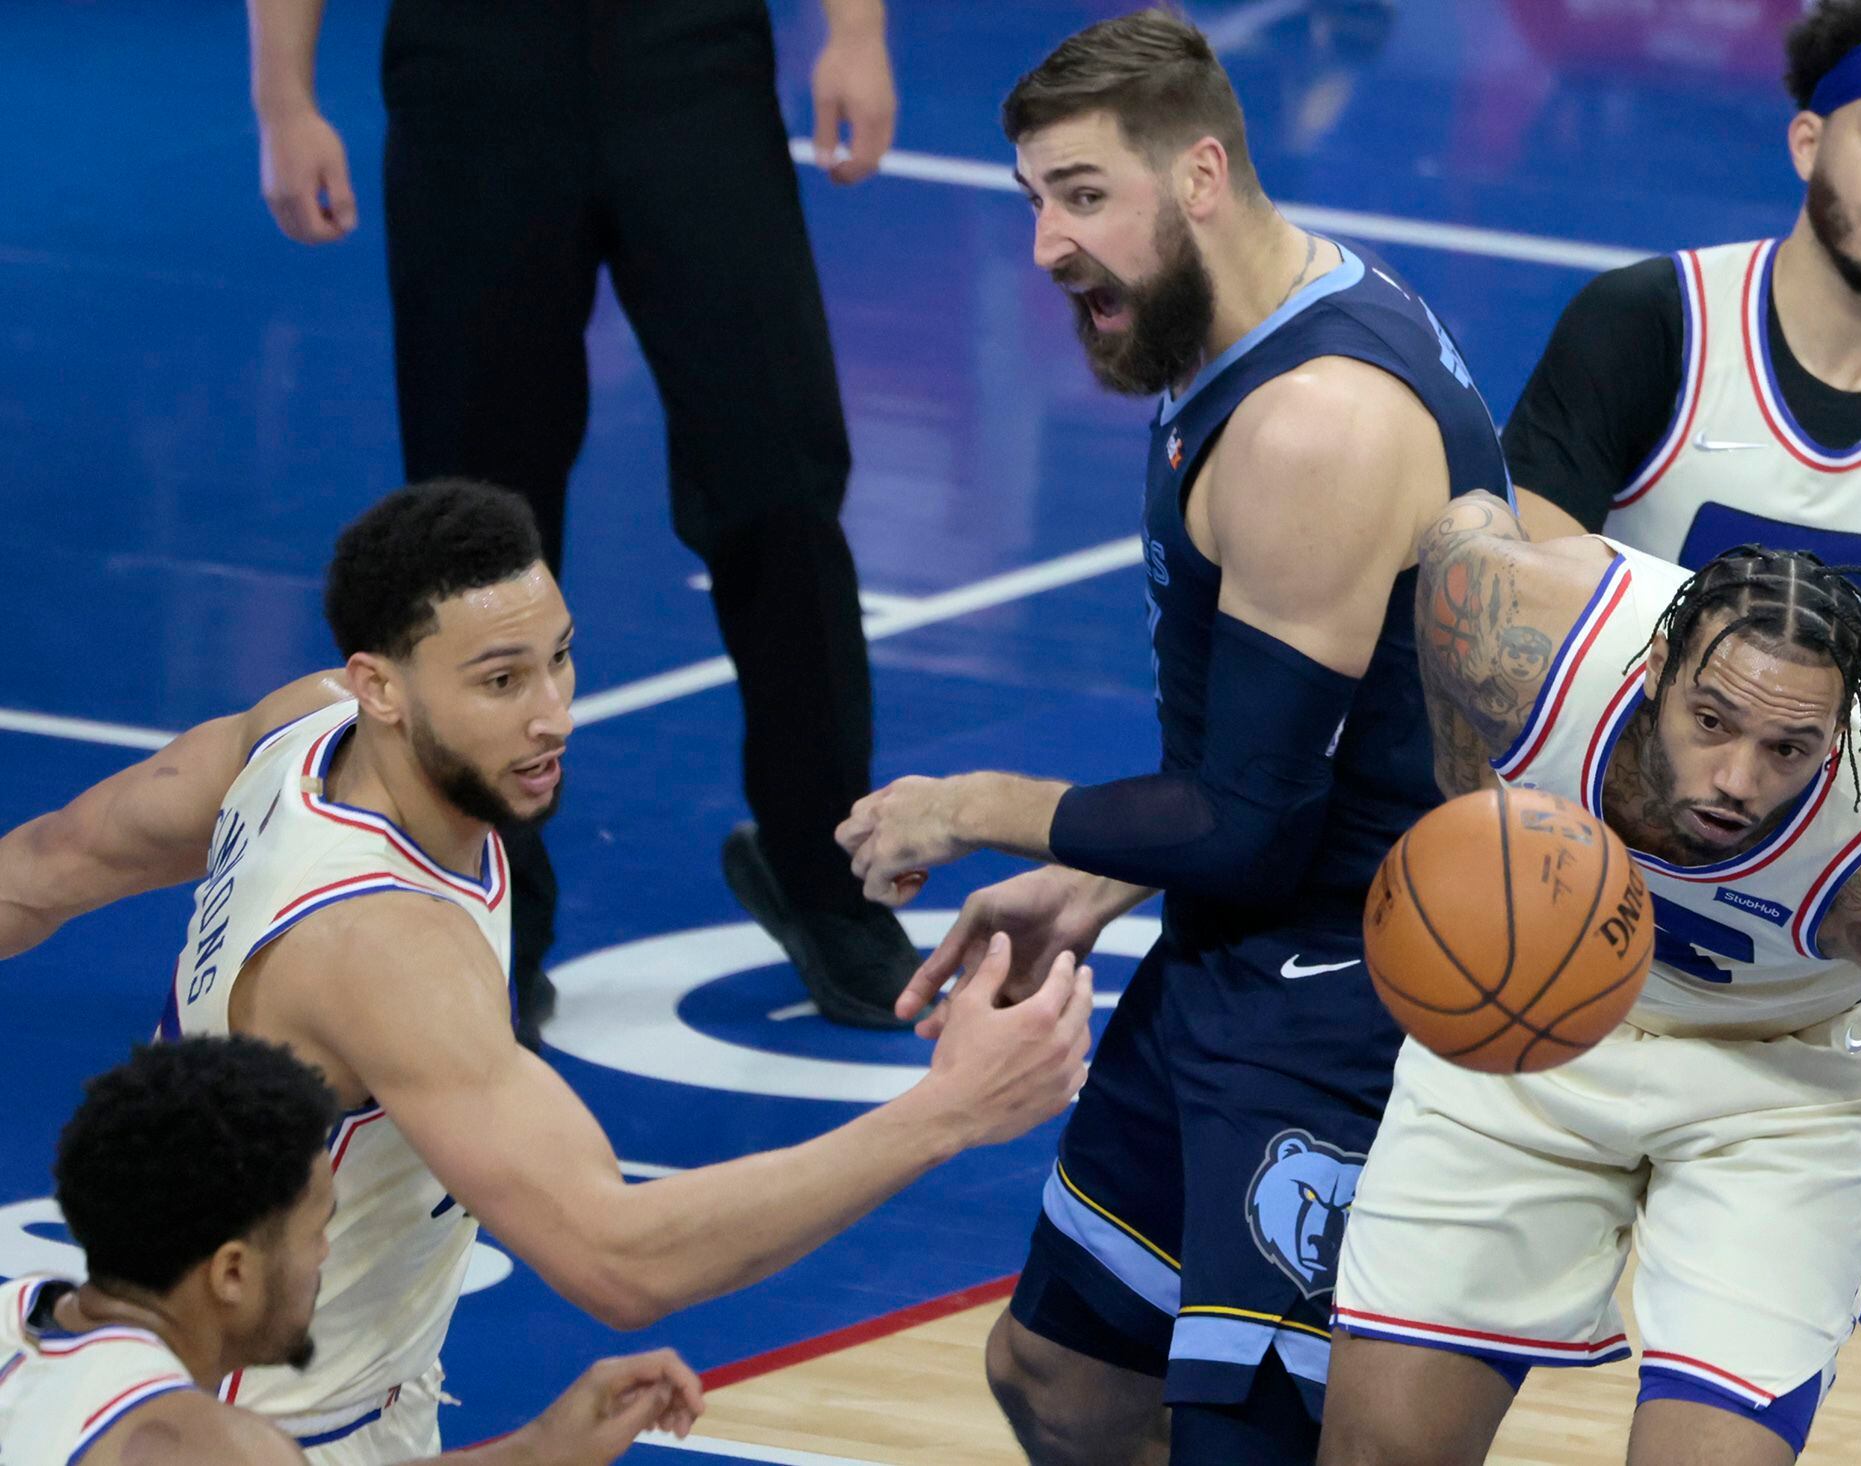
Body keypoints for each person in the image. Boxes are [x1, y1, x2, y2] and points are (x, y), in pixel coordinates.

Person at [0, 479, 1093, 1463]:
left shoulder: (302, 732)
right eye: (499, 680)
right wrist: (949, 1110)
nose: (551, 714)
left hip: (213, 1387)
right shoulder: (385, 946)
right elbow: (621, 1259)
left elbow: (45, 866)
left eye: (558, 658)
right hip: (273, 1431)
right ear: (379, 685)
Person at [829, 12, 1509, 1463]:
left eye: (1084, 194)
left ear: (1200, 174)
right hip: (1242, 937)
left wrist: (971, 804)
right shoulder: (1252, 317)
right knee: (1058, 1377)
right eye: (1034, 200)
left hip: (1350, 988)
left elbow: (1253, 821)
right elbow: (1293, 746)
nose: (1047, 246)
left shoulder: (1313, 423)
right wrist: (1100, 873)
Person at [1501, 4, 1861, 1458]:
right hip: (1596, 915)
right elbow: (1517, 605)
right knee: (1411, 1361)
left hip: (1825, 948)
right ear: (1809, 139)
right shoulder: (1650, 324)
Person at [1317, 493, 1861, 1466]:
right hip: (1539, 1047)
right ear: (1655, 667)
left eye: (1787, 749)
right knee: (1379, 1451)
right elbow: (1456, 531)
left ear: (1837, 736)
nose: (1737, 780)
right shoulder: (1532, 644)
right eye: (1711, 721)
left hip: (1785, 1087)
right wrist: (1476, 813)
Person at [245, 0, 913, 1030]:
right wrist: (282, 101)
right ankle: (490, 901)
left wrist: (856, 32)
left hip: (690, 57)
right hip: (470, 73)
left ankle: (826, 879)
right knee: (471, 526)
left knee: (779, 483)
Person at [0, 1035, 705, 1466]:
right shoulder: (209, 1448)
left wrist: (537, 1450)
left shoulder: (24, 1318)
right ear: (233, 1272)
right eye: (316, 1231)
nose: (322, 1258)